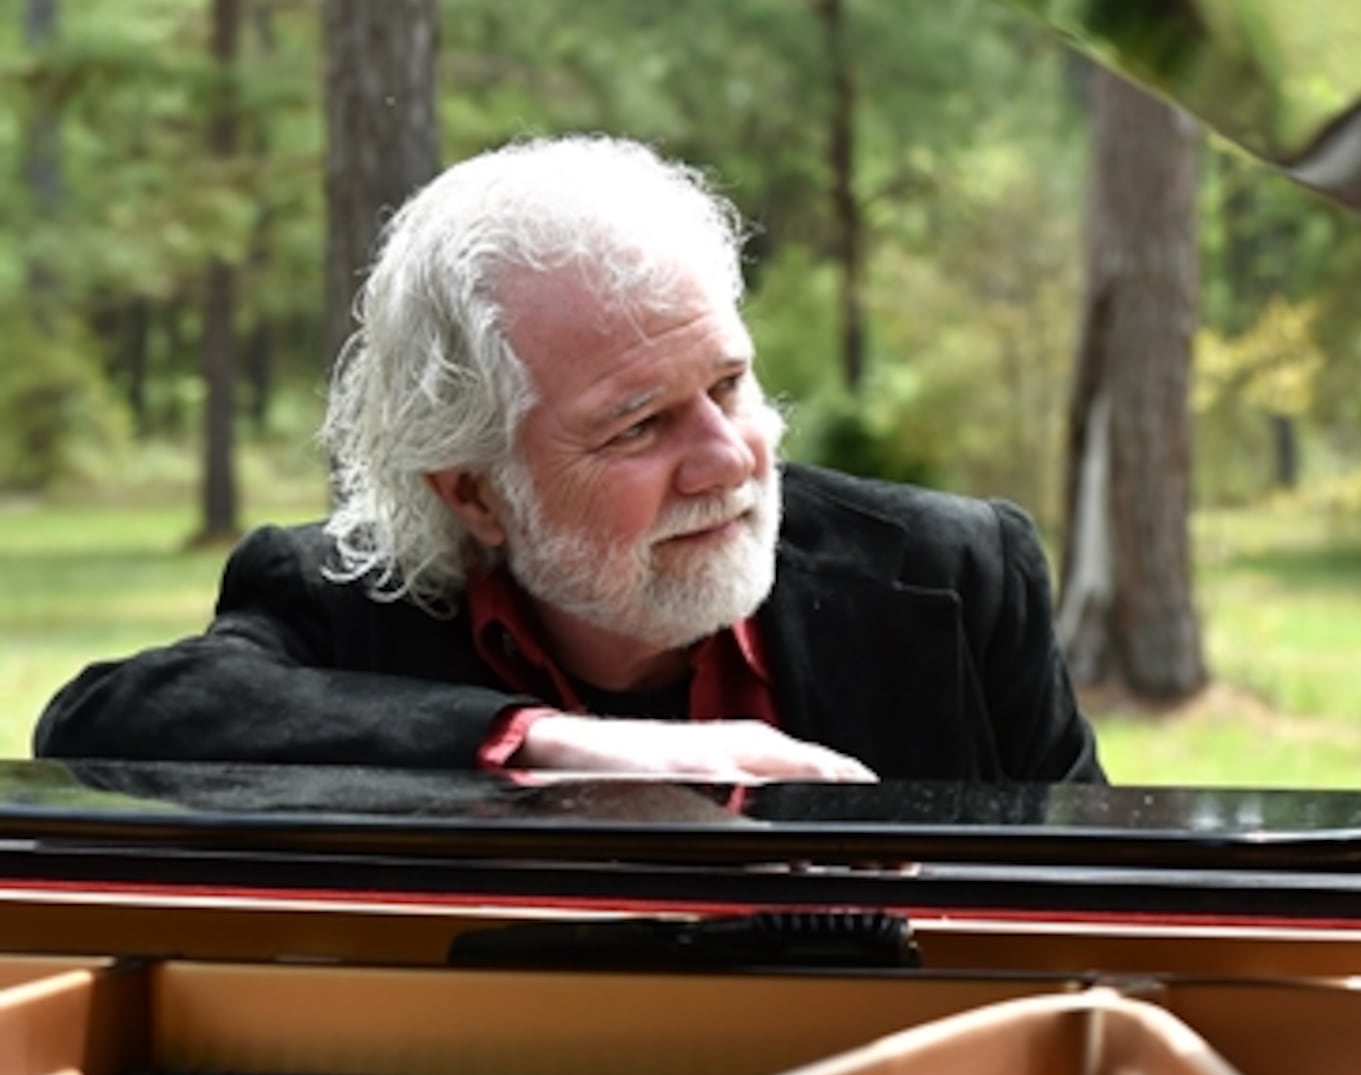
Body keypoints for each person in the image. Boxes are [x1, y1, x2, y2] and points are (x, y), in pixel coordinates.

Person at [35, 137, 1101, 786]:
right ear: (472, 490)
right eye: (638, 425)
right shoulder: (344, 603)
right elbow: (103, 723)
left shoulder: (955, 576)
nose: (727, 459)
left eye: (727, 384)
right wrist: (543, 743)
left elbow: (1117, 921)